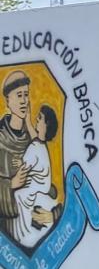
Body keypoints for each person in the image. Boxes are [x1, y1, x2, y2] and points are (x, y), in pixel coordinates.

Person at [0, 70, 55, 245]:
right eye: (19, 95)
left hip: (33, 225)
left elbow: (45, 184)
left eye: (26, 94)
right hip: (7, 234)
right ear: (8, 101)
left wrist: (53, 214)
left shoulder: (33, 140)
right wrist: (10, 185)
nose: (24, 100)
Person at [13, 104, 60, 249]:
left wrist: (18, 163)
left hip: (31, 192)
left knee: (16, 196)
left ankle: (22, 237)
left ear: (46, 126)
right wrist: (27, 120)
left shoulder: (35, 148)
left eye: (40, 118)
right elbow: (35, 136)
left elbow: (24, 169)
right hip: (39, 190)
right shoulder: (41, 145)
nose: (37, 119)